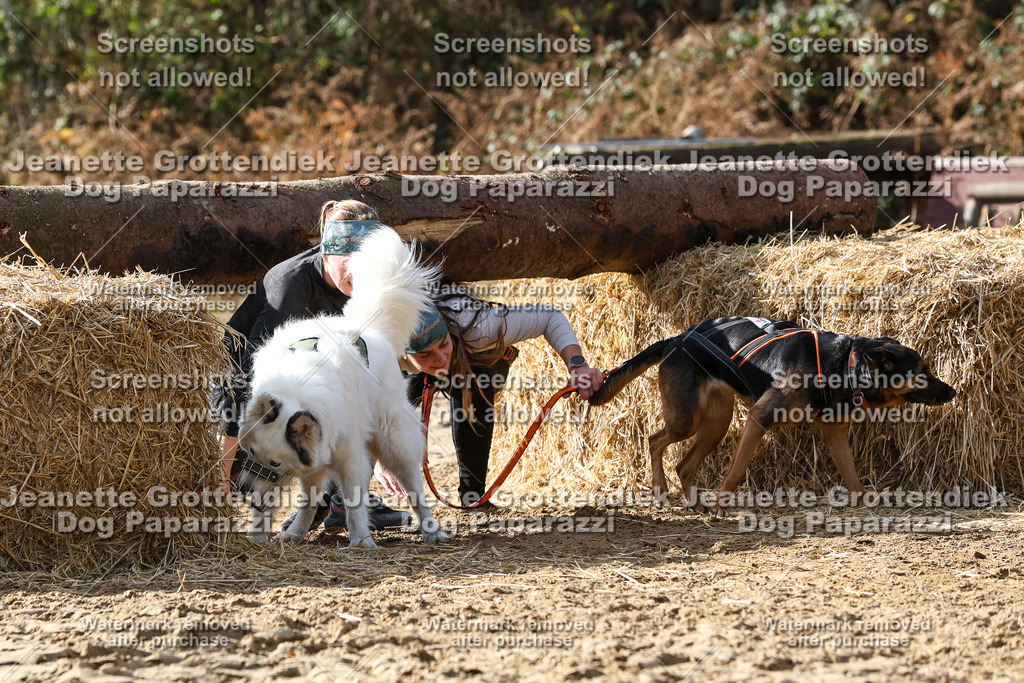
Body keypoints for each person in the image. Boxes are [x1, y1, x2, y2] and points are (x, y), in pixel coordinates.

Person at [215, 199, 409, 530]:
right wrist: (221, 469)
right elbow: (246, 380)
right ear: (326, 253)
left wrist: (385, 448)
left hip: (312, 385)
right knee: (251, 483)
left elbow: (377, 369)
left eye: (366, 263)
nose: (357, 273)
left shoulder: (372, 285)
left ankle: (343, 501)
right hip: (241, 389)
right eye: (348, 261)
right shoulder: (290, 286)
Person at [398, 289, 605, 507]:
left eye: (442, 345)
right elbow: (369, 413)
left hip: (473, 356)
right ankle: (367, 504)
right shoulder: (382, 345)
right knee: (387, 406)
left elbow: (549, 317)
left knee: (475, 382)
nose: (440, 359)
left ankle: (473, 496)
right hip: (408, 365)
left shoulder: (478, 325)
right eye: (425, 354)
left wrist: (578, 366)